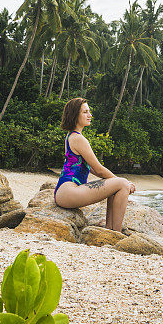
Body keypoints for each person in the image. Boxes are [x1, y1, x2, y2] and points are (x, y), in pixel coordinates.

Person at [53, 97, 135, 232]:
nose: (90, 115)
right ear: (75, 115)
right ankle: (116, 232)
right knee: (121, 184)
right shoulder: (79, 138)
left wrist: (117, 182)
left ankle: (110, 230)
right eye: (85, 112)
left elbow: (91, 169)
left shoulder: (71, 136)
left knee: (115, 184)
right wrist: (125, 182)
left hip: (64, 192)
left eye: (89, 112)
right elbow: (99, 169)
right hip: (69, 192)